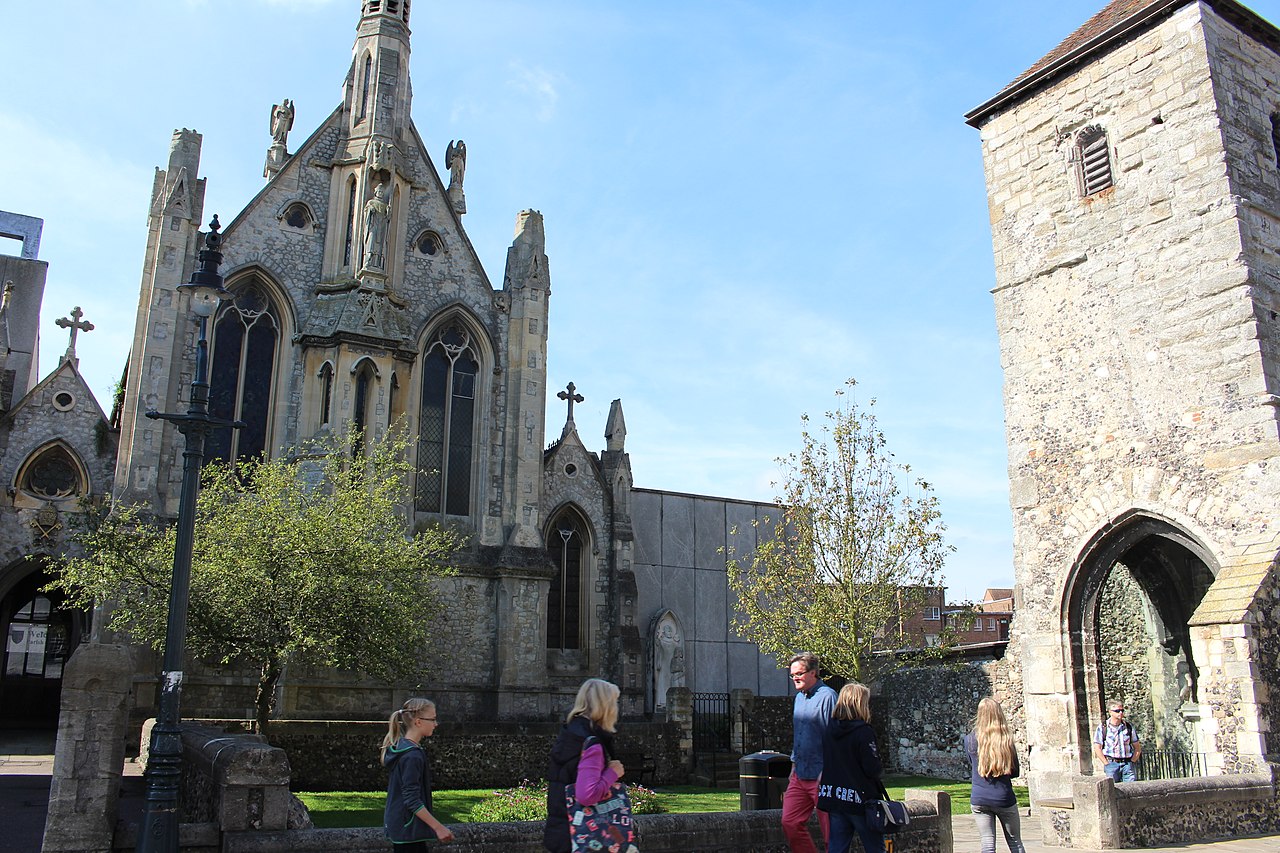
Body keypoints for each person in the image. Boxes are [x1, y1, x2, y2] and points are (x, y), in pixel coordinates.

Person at [544, 678, 627, 853]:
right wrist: (612, 772)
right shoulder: (591, 744)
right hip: (584, 839)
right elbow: (587, 795)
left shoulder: (570, 733)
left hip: (563, 834)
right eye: (614, 702)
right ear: (606, 706)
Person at [816, 683, 885, 853]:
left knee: (837, 848)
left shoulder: (829, 730)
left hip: (835, 797)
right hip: (861, 800)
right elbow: (872, 768)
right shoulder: (863, 732)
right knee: (875, 848)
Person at [381, 697, 454, 849]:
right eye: (432, 719)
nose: (436, 724)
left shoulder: (404, 749)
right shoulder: (412, 756)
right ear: (418, 722)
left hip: (405, 829)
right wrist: (438, 827)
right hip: (407, 830)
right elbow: (411, 799)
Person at [784, 652, 836, 853]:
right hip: (800, 773)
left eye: (799, 674)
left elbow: (833, 738)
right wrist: (793, 764)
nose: (795, 678)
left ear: (813, 672)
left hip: (821, 775)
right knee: (790, 822)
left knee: (831, 831)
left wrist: (828, 771)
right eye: (792, 675)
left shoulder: (828, 697)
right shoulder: (799, 698)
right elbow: (799, 734)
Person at [964, 698, 1025, 853]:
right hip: (1003, 797)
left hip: (979, 797)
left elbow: (972, 764)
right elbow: (1014, 772)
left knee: (987, 844)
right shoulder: (1005, 740)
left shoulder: (969, 740)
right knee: (1015, 842)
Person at [1093, 699, 1141, 782]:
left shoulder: (1128, 727)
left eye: (1122, 710)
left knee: (1131, 787)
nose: (1120, 713)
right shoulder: (1103, 728)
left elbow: (1137, 747)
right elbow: (1097, 748)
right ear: (1110, 712)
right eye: (1117, 711)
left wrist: (1132, 761)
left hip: (1127, 763)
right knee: (1112, 788)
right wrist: (1106, 763)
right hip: (1111, 763)